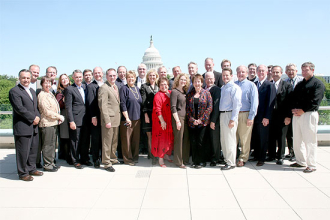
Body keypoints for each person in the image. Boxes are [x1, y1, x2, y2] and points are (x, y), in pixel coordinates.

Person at [290, 62, 325, 173]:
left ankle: (311, 164)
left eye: (306, 70)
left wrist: (302, 110)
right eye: (303, 70)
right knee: (297, 140)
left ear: (312, 70)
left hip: (309, 114)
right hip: (297, 115)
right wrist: (294, 109)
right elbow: (293, 98)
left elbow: (315, 101)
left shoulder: (317, 84)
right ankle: (300, 161)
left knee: (309, 141)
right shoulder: (300, 84)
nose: (304, 72)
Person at [9, 69, 43, 181]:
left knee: (33, 149)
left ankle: (31, 168)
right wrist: (33, 118)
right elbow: (19, 109)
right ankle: (23, 173)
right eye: (23, 78)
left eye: (28, 78)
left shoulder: (32, 91)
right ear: (19, 78)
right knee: (23, 151)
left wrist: (37, 117)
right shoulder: (15, 91)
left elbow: (36, 107)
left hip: (34, 126)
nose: (26, 80)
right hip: (23, 126)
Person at [38, 76, 64, 172]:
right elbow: (46, 111)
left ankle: (51, 163)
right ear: (42, 84)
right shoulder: (42, 95)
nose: (48, 85)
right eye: (45, 83)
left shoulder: (49, 93)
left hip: (53, 122)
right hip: (47, 123)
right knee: (48, 145)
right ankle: (48, 165)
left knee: (52, 144)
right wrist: (59, 117)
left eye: (49, 83)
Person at [267, 65, 293, 165]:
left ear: (281, 73)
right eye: (273, 72)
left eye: (277, 72)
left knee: (282, 137)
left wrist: (288, 116)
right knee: (271, 136)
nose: (275, 74)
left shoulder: (287, 86)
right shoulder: (268, 85)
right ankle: (271, 155)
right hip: (271, 115)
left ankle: (280, 156)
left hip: (282, 116)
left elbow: (290, 102)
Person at [251, 65, 276, 166]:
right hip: (254, 117)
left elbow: (270, 103)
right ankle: (256, 155)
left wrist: (267, 117)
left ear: (266, 72)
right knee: (256, 137)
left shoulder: (270, 85)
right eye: (259, 71)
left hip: (263, 117)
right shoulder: (254, 84)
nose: (261, 72)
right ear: (256, 72)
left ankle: (262, 158)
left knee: (263, 138)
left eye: (263, 71)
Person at [65, 69, 90, 169]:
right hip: (76, 119)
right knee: (75, 141)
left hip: (86, 119)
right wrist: (71, 121)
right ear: (73, 78)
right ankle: (75, 160)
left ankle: (84, 158)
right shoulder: (70, 89)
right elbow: (68, 107)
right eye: (77, 77)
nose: (79, 79)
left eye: (80, 77)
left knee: (85, 140)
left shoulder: (85, 87)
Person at [186, 74, 213, 168]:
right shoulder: (189, 94)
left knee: (201, 142)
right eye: (195, 81)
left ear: (202, 82)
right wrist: (193, 120)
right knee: (193, 142)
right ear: (192, 83)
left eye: (199, 81)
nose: (197, 83)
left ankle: (202, 161)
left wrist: (201, 120)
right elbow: (187, 109)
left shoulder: (206, 93)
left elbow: (209, 108)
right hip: (192, 123)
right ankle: (195, 160)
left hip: (203, 123)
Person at [98, 68, 121, 172]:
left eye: (114, 75)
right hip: (109, 120)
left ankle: (112, 158)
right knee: (107, 142)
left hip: (116, 119)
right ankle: (106, 162)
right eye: (110, 75)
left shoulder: (115, 87)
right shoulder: (104, 88)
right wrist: (107, 120)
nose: (112, 77)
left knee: (114, 141)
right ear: (106, 76)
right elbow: (103, 106)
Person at [235, 65, 258, 167]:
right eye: (239, 72)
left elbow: (254, 103)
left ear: (247, 73)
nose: (241, 74)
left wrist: (251, 117)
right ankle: (233, 156)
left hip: (245, 114)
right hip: (233, 115)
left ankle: (243, 158)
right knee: (233, 137)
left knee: (244, 138)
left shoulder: (251, 85)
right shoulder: (233, 84)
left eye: (243, 72)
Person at [219, 68, 242, 170]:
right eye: (223, 75)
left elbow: (237, 105)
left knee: (230, 140)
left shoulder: (235, 88)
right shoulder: (223, 87)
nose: (225, 77)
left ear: (231, 76)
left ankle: (231, 162)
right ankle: (226, 159)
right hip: (222, 115)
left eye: (227, 75)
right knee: (223, 139)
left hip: (229, 115)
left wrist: (233, 119)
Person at [119, 70, 142, 166]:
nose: (131, 79)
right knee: (127, 140)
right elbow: (123, 104)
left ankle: (135, 157)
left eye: (132, 77)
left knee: (135, 140)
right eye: (129, 77)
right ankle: (128, 159)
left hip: (137, 118)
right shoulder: (124, 88)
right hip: (127, 119)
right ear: (126, 79)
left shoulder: (136, 88)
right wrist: (127, 118)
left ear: (135, 78)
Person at [151, 77, 174, 167]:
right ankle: (160, 159)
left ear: (168, 85)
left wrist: (170, 97)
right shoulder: (158, 95)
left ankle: (166, 155)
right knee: (162, 140)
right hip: (161, 121)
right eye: (161, 84)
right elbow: (157, 109)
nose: (164, 86)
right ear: (159, 86)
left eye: (165, 84)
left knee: (169, 139)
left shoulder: (170, 93)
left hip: (169, 120)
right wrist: (162, 121)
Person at [284, 63, 304, 161]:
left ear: (296, 71)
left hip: (300, 112)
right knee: (289, 134)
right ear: (285, 72)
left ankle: (299, 154)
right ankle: (291, 152)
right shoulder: (285, 82)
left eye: (292, 70)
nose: (290, 72)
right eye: (288, 70)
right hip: (289, 112)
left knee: (299, 134)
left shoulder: (302, 81)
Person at [171, 73, 190, 168]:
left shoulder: (184, 91)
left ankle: (185, 159)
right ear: (178, 80)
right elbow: (173, 107)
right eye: (181, 79)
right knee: (179, 140)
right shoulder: (174, 92)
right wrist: (177, 121)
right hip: (178, 118)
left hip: (186, 118)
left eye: (185, 80)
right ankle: (178, 162)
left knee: (186, 140)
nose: (183, 81)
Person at [86, 67, 104, 168]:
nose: (98, 75)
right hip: (96, 116)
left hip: (105, 116)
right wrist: (93, 116)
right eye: (95, 73)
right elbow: (90, 102)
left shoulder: (105, 84)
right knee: (96, 138)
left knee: (103, 138)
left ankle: (103, 157)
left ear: (102, 73)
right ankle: (96, 159)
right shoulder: (91, 86)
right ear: (93, 74)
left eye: (99, 73)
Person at [141, 69, 159, 164]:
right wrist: (145, 115)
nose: (152, 77)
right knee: (150, 136)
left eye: (154, 75)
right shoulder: (144, 86)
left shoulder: (158, 86)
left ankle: (155, 153)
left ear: (156, 76)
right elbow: (143, 101)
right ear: (148, 77)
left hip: (157, 114)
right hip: (148, 113)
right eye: (150, 75)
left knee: (156, 135)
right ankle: (152, 155)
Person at [204, 72, 222, 166]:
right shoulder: (204, 89)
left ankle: (215, 158)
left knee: (215, 139)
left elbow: (216, 105)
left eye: (211, 78)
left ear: (214, 79)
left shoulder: (216, 89)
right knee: (208, 139)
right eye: (207, 78)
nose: (209, 80)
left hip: (213, 120)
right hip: (205, 120)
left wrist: (213, 121)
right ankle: (208, 156)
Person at [56, 74, 72, 165]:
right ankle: (67, 156)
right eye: (63, 79)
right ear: (60, 82)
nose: (65, 80)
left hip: (73, 115)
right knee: (65, 136)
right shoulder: (60, 92)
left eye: (66, 78)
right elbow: (59, 105)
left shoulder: (73, 88)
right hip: (64, 115)